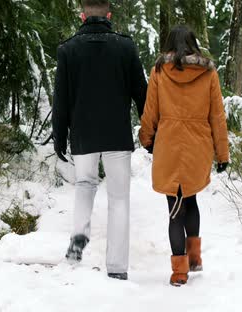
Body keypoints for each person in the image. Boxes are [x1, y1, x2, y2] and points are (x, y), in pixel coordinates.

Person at [52, 0, 147, 280]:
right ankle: (117, 268)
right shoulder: (125, 47)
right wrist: (150, 131)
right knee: (119, 198)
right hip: (116, 132)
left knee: (85, 184)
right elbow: (141, 93)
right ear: (109, 15)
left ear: (82, 16)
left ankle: (79, 234)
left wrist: (60, 136)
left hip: (83, 133)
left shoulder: (68, 49)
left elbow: (61, 99)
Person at [139, 25, 230, 286]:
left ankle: (179, 271)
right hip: (198, 144)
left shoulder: (159, 70)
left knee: (173, 207)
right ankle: (194, 259)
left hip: (168, 143)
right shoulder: (208, 71)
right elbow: (217, 115)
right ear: (194, 44)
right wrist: (222, 154)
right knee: (190, 199)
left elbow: (151, 110)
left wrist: (147, 139)